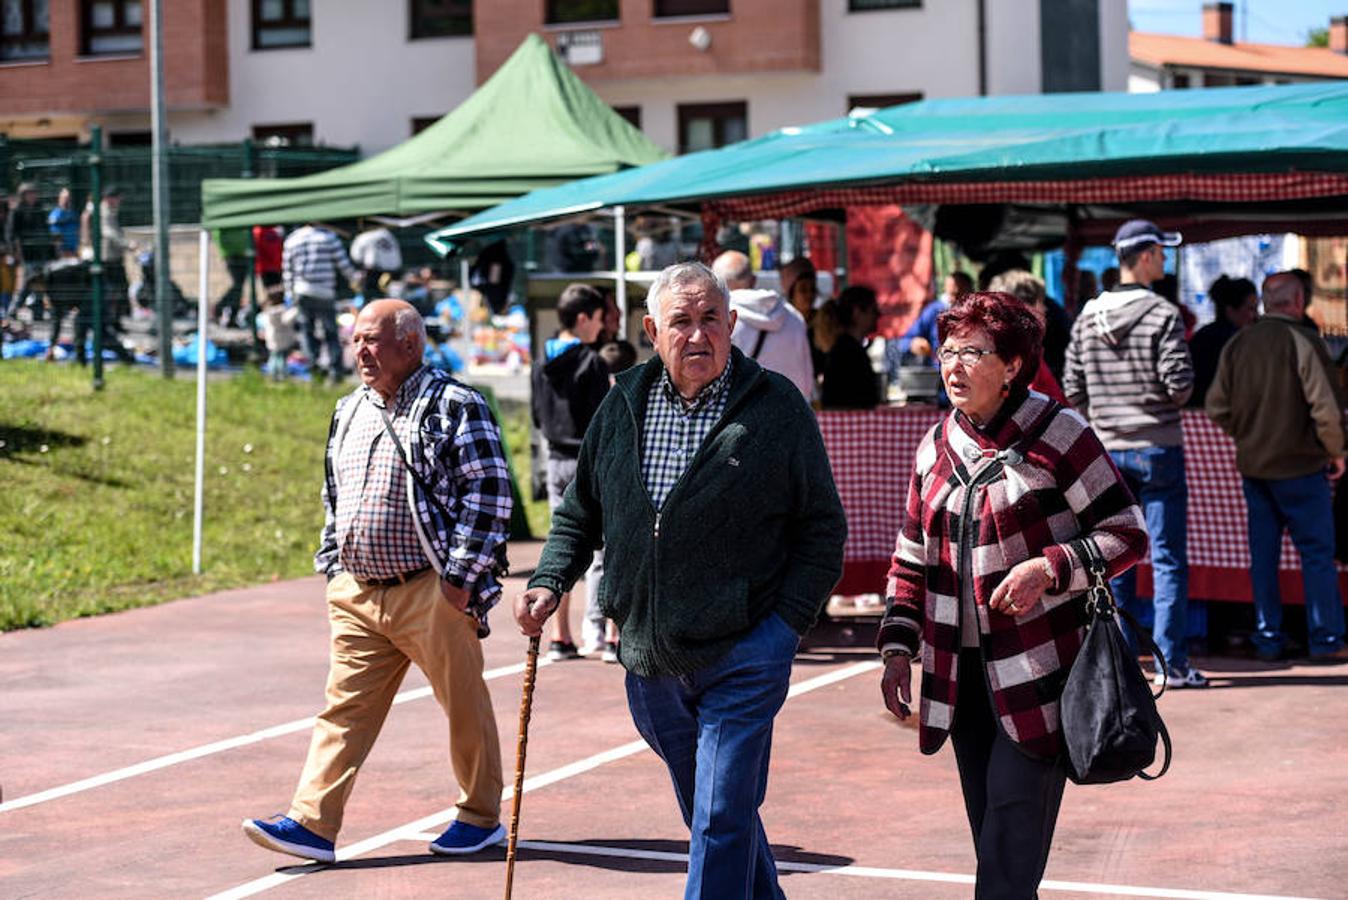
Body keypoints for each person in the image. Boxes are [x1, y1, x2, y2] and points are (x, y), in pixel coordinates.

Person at [516, 262, 846, 899]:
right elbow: (580, 510)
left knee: (719, 817)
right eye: (682, 322)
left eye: (712, 320)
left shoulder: (777, 408)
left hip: (746, 649)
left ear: (732, 325)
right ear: (651, 331)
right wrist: (551, 578)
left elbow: (822, 529)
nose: (699, 336)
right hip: (650, 656)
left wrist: (783, 630)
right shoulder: (622, 405)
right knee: (717, 816)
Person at [879, 290, 1147, 900]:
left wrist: (1048, 569)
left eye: (973, 353)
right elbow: (910, 556)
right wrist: (898, 647)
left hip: (1042, 671)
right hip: (958, 675)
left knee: (1009, 825)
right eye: (948, 351)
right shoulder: (935, 445)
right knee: (993, 833)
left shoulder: (1061, 433)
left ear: (1014, 366)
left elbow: (1127, 533)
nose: (954, 366)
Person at [242, 299, 511, 863]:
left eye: (372, 340)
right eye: (356, 341)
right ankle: (312, 823)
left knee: (462, 703)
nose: (361, 352)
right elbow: (334, 493)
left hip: (430, 588)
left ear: (409, 345)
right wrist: (334, 564)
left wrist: (459, 579)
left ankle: (480, 816)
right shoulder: (349, 409)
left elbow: (489, 494)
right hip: (358, 592)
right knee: (343, 710)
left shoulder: (455, 405)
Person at [1064, 219, 1206, 688]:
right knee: (1167, 559)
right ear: (1143, 256)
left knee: (1114, 556)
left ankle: (1119, 661)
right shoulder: (1163, 314)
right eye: (1161, 254)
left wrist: (1105, 415)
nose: (1164, 262)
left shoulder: (1087, 316)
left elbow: (1072, 388)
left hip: (1107, 450)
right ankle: (1174, 663)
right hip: (1157, 445)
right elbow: (1179, 386)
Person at [1207, 272, 1348, 664]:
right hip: (1302, 466)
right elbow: (1325, 407)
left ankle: (1268, 639)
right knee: (1317, 554)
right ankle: (1325, 638)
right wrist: (1336, 452)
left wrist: (1246, 433)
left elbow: (1217, 406)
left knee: (1263, 557)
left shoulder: (1239, 343)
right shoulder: (1303, 341)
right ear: (1298, 300)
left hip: (1255, 468)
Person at [530, 283, 611, 661]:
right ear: (582, 319)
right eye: (597, 319)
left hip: (554, 458)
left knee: (560, 546)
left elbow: (534, 414)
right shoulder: (592, 362)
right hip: (587, 460)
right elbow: (602, 419)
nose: (601, 327)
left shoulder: (539, 361)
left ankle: (560, 636)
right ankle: (610, 634)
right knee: (607, 547)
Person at [712, 249, 814, 399]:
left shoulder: (717, 320)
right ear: (753, 280)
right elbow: (807, 383)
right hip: (791, 414)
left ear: (715, 283)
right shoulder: (793, 316)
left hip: (743, 417)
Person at [282, 222, 359, 382]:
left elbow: (287, 271)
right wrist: (355, 278)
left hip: (301, 290)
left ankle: (313, 367)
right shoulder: (329, 238)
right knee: (330, 331)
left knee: (306, 331)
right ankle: (335, 370)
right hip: (324, 291)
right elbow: (343, 265)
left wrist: (290, 293)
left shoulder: (292, 240)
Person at [985, 270, 1068, 403]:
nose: (1045, 309)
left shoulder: (1027, 347)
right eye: (1041, 302)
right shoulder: (1022, 354)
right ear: (1026, 307)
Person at [884, 271, 974, 379]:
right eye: (950, 294)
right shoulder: (934, 311)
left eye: (958, 294)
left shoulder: (977, 316)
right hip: (938, 380)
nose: (953, 300)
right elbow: (904, 341)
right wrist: (913, 344)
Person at [1188, 275, 1257, 408]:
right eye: (1250, 309)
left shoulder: (1202, 335)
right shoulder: (1236, 342)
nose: (1256, 316)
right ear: (1230, 310)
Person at [820, 284, 881, 409]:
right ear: (857, 313)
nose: (878, 315)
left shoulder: (846, 348)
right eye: (873, 310)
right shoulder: (848, 352)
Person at [6, 182, 52, 320]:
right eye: (30, 193)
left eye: (34, 193)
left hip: (41, 252)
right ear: (23, 195)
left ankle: (36, 313)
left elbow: (46, 231)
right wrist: (15, 250)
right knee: (28, 282)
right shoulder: (17, 211)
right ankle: (13, 310)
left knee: (39, 282)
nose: (33, 196)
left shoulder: (40, 209)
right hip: (26, 253)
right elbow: (11, 233)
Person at [350, 224, 403, 301]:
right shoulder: (388, 234)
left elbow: (356, 257)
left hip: (374, 272)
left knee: (373, 301)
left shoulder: (363, 236)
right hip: (395, 272)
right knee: (394, 300)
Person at [213, 227, 252, 327]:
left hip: (243, 254)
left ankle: (232, 317)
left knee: (239, 288)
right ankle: (219, 307)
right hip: (232, 255)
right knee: (237, 286)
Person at [259, 290, 299, 380]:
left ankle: (272, 373)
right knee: (281, 358)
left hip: (272, 338)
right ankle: (282, 373)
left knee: (273, 356)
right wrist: (296, 308)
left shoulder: (267, 313)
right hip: (282, 340)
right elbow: (289, 319)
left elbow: (262, 322)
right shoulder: (282, 312)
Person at [47, 188, 79, 257]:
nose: (66, 200)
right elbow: (55, 235)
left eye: (68, 198)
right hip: (63, 252)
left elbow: (77, 230)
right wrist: (61, 252)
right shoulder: (55, 214)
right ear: (59, 199)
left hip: (75, 251)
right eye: (64, 198)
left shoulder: (73, 213)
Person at [253, 225, 284, 293]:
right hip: (266, 267)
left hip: (275, 266)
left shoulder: (274, 231)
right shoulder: (258, 231)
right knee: (272, 290)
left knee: (276, 289)